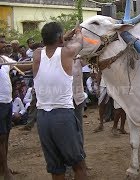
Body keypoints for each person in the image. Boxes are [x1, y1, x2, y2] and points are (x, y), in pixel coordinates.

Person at [32, 22, 87, 179]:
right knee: (79, 165)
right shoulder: (67, 53)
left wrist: (63, 36)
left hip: (42, 118)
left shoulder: (37, 54)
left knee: (56, 168)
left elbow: (47, 47)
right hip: (62, 116)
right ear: (59, 38)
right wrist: (78, 32)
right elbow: (79, 42)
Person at [0, 37, 32, 180]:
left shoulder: (4, 59)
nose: (5, 44)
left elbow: (20, 66)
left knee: (6, 135)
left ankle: (3, 167)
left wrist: (37, 61)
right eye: (2, 42)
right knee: (1, 137)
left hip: (7, 102)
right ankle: (5, 171)